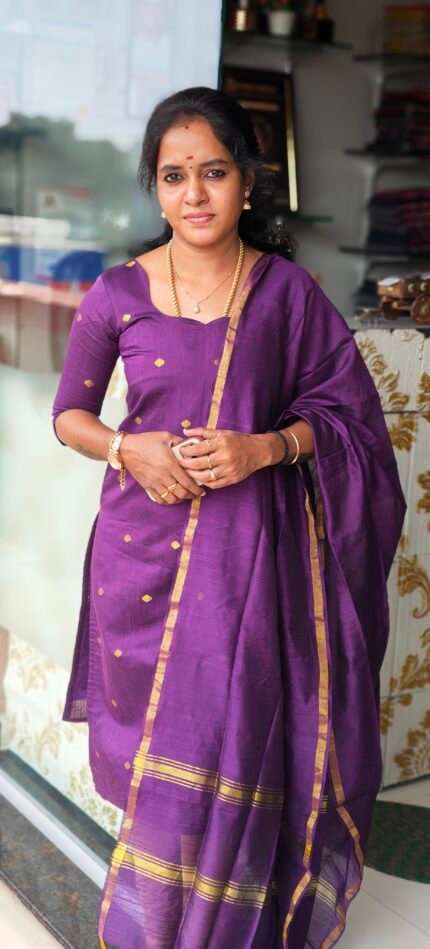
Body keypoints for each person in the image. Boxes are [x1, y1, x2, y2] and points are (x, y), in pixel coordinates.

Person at [51, 86, 406, 949]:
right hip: (140, 553)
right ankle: (165, 925)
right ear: (155, 188)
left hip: (250, 560)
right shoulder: (117, 292)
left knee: (234, 733)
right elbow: (69, 415)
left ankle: (229, 926)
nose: (195, 193)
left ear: (248, 181)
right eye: (175, 176)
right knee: (160, 756)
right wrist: (128, 448)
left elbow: (349, 418)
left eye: (213, 172)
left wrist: (265, 448)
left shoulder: (287, 295)